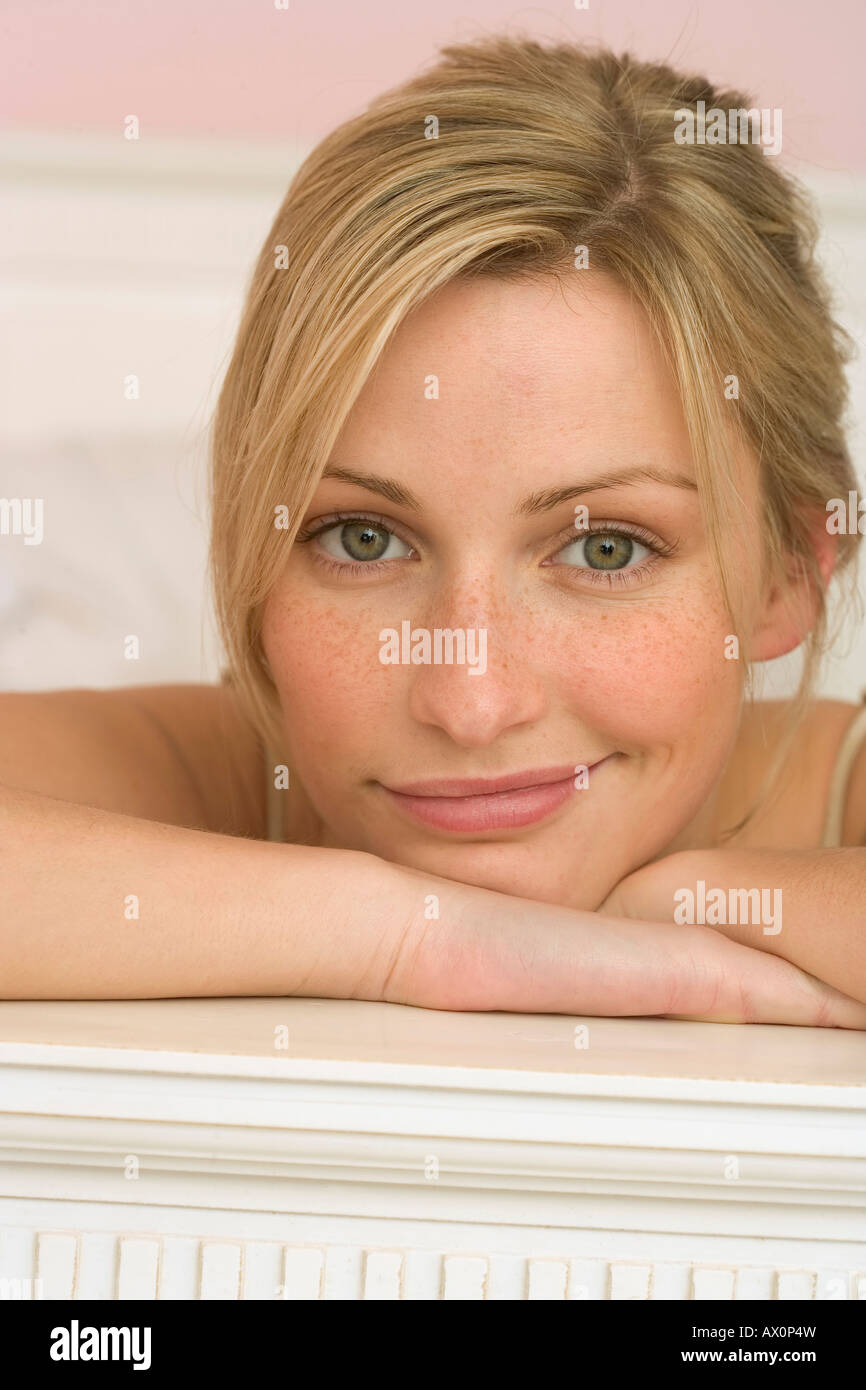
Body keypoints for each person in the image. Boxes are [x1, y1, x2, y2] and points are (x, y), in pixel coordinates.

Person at [3, 37, 866, 1026]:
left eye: (603, 548)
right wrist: (412, 935)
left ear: (788, 572)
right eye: (362, 539)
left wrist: (684, 906)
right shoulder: (226, 774)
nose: (469, 701)